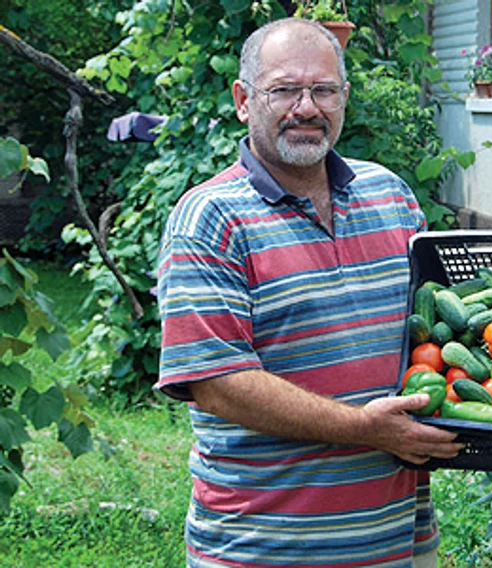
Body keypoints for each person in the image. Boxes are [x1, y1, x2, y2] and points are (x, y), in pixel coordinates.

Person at [156, 17, 463, 568]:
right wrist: (365, 430)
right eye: (284, 90)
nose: (306, 108)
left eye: (323, 90)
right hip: (265, 545)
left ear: (344, 97)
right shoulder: (210, 218)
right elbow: (217, 384)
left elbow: (435, 332)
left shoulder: (390, 196)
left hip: (395, 538)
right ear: (244, 100)